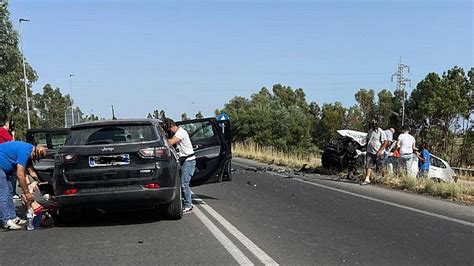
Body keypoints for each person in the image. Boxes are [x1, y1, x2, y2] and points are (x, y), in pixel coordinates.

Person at [0, 141, 47, 230]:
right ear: (35, 153)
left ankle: (13, 217)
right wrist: (27, 192)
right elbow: (20, 174)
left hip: (4, 169)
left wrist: (37, 182)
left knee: (10, 191)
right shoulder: (25, 152)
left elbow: (31, 171)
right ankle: (6, 220)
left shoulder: (30, 151)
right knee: (4, 192)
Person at [165, 119, 196, 214]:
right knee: (182, 183)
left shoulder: (181, 132)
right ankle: (186, 203)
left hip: (188, 161)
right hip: (184, 161)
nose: (169, 131)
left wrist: (161, 139)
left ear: (171, 126)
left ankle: (188, 205)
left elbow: (171, 142)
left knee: (184, 183)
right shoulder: (178, 133)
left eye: (169, 129)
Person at [361, 119, 388, 186]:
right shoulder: (370, 131)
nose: (374, 125)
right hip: (370, 151)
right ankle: (367, 179)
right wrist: (366, 146)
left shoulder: (381, 132)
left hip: (378, 152)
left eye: (375, 124)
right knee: (368, 165)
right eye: (372, 124)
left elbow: (385, 142)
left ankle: (383, 179)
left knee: (380, 166)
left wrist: (380, 150)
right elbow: (368, 139)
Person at [0, 118, 19, 200]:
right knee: (13, 173)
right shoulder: (2, 131)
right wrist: (13, 135)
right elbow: (12, 143)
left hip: (4, 155)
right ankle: (12, 192)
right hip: (4, 156)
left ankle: (11, 191)